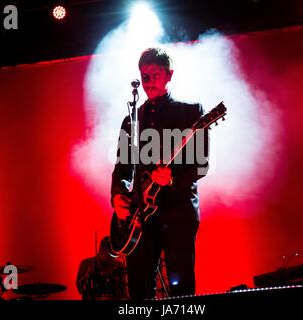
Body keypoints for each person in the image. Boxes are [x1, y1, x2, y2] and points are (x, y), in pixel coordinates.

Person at [111, 47, 209, 299]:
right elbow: (122, 168)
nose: (148, 82)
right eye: (144, 76)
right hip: (141, 216)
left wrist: (173, 177)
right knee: (139, 289)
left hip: (178, 211)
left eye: (155, 75)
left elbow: (201, 164)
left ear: (169, 75)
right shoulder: (132, 120)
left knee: (181, 288)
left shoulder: (189, 112)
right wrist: (118, 196)